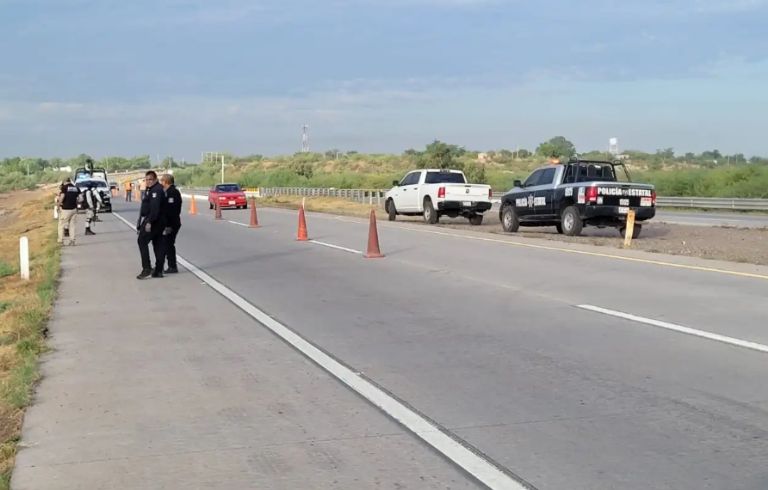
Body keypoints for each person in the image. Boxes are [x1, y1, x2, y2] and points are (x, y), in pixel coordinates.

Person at [136, 171, 166, 279]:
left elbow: (155, 209)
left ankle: (146, 268)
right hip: (158, 221)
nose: (148, 181)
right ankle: (158, 270)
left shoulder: (156, 191)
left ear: (155, 179)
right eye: (146, 179)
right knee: (158, 244)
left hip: (154, 222)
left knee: (142, 241)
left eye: (150, 179)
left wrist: (149, 222)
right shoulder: (153, 189)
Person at [158, 174, 182, 274]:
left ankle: (172, 266)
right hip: (170, 222)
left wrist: (168, 225)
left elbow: (171, 211)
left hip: (171, 223)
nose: (161, 183)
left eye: (162, 181)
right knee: (167, 244)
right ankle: (169, 265)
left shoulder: (172, 193)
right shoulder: (168, 192)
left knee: (168, 244)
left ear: (166, 181)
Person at [57, 178, 80, 246]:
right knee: (72, 225)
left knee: (61, 224)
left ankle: (61, 241)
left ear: (65, 182)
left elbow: (62, 197)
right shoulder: (76, 188)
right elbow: (80, 198)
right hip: (74, 209)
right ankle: (72, 241)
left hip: (65, 209)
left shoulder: (64, 188)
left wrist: (58, 205)